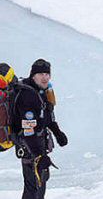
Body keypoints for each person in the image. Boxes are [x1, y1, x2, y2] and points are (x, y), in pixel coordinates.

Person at [13, 59, 68, 199]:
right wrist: (39, 155)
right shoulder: (27, 96)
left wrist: (57, 132)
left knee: (41, 183)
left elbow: (46, 115)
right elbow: (27, 131)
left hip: (39, 142)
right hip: (28, 146)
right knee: (32, 187)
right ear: (33, 75)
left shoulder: (42, 91)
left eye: (47, 74)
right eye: (41, 74)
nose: (45, 77)